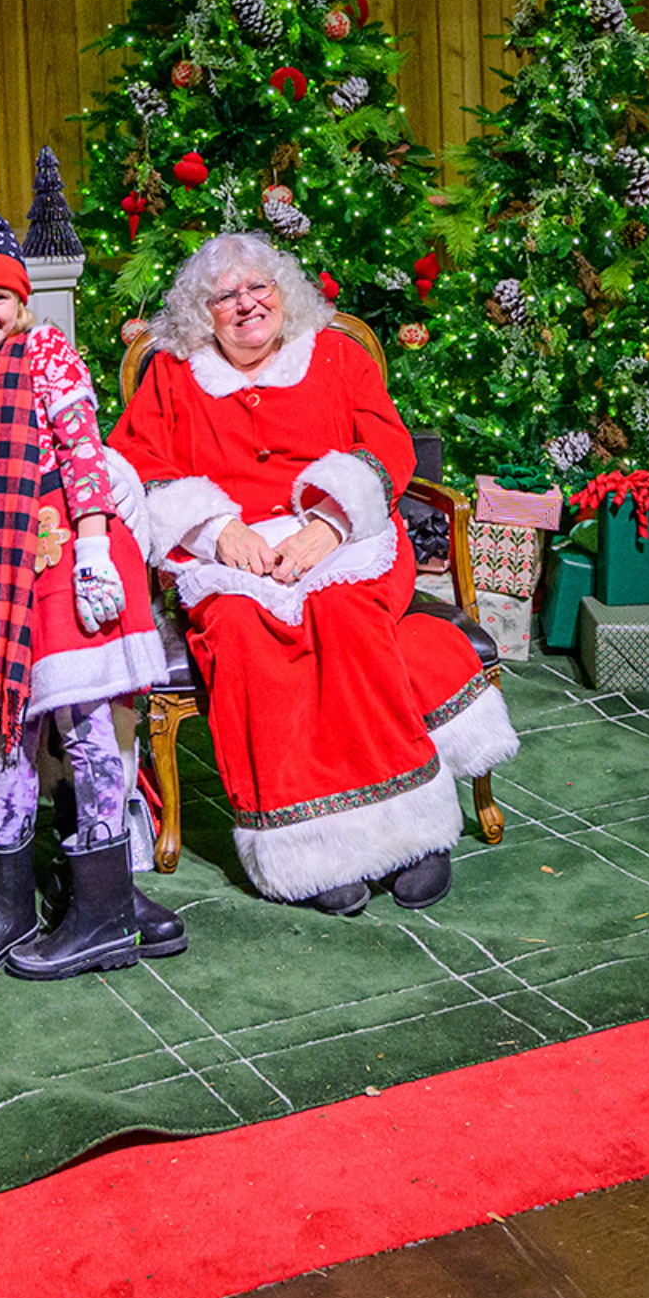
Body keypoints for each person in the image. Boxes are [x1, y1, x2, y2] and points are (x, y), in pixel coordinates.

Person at [106, 233, 516, 913]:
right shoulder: (175, 372)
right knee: (241, 633)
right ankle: (311, 849)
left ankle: (413, 834)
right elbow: (136, 464)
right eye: (225, 296)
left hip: (340, 537)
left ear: (282, 290)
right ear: (201, 312)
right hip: (231, 556)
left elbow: (385, 441)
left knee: (348, 618)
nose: (245, 305)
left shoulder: (334, 353)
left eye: (257, 287)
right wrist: (216, 528)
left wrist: (329, 523)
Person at [0, 179, 175, 983]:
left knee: (90, 726)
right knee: (9, 735)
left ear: (22, 301)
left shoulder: (46, 354)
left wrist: (95, 546)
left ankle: (101, 909)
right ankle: (9, 902)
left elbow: (82, 449)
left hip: (69, 558)